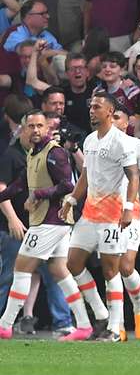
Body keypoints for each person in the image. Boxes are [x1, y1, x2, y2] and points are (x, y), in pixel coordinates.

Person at [0, 110, 93, 342]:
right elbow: (21, 183)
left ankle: (5, 325)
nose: (36, 130)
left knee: (21, 268)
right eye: (31, 126)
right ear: (23, 129)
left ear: (47, 128)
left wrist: (39, 195)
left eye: (40, 126)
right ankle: (83, 325)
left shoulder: (56, 153)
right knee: (59, 271)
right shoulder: (33, 153)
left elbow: (67, 185)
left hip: (50, 222)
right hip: (54, 223)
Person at [60, 92, 140, 342]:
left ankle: (115, 329)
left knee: (110, 270)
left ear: (109, 112)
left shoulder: (122, 142)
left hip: (112, 215)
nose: (92, 110)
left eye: (97, 106)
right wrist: (72, 199)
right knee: (72, 263)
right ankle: (101, 313)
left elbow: (134, 176)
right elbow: (86, 175)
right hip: (89, 213)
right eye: (91, 106)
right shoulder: (90, 140)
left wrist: (129, 207)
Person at [109, 106, 140, 341]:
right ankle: (116, 325)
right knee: (112, 268)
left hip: (132, 212)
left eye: (117, 117)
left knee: (126, 267)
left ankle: (139, 310)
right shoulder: (99, 144)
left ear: (127, 121)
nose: (113, 120)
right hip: (104, 212)